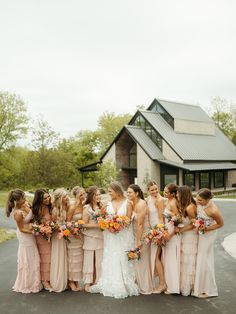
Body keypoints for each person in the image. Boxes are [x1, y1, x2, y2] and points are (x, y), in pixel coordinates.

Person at [90, 181, 139, 298]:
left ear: (117, 191)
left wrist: (119, 225)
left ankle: (124, 283)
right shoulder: (107, 204)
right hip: (111, 236)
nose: (109, 193)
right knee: (112, 257)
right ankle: (110, 282)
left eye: (110, 191)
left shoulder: (128, 203)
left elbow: (128, 220)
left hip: (124, 236)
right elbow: (101, 218)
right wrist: (108, 224)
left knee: (122, 257)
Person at [6, 189, 42, 293]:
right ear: (17, 200)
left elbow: (31, 218)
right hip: (25, 235)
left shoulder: (24, 205)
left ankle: (34, 282)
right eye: (23, 198)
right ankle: (27, 284)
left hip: (29, 233)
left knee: (32, 256)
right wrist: (36, 231)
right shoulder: (17, 213)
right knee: (28, 257)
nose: (25, 199)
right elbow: (21, 229)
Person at [193, 188, 224, 298]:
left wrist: (205, 229)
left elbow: (220, 224)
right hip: (201, 233)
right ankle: (199, 287)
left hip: (208, 234)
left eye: (200, 200)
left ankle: (209, 290)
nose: (197, 201)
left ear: (207, 200)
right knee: (201, 258)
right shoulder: (200, 203)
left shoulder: (213, 210)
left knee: (204, 259)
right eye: (197, 199)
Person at [127, 184, 153, 295]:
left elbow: (141, 224)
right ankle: (138, 284)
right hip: (135, 234)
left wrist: (138, 240)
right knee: (137, 261)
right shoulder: (133, 203)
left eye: (130, 192)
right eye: (127, 192)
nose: (128, 194)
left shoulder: (142, 204)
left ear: (137, 193)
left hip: (142, 235)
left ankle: (146, 286)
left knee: (142, 261)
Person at [176, 185, 197, 296]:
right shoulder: (184, 205)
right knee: (184, 260)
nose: (177, 195)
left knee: (188, 260)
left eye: (178, 193)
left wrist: (181, 230)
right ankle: (183, 285)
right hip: (185, 234)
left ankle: (189, 286)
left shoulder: (190, 207)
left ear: (183, 194)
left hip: (190, 236)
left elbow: (194, 224)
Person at [82, 186, 104, 292]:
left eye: (99, 194)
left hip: (100, 236)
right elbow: (83, 224)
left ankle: (98, 281)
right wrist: (97, 226)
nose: (99, 196)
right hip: (90, 236)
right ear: (91, 196)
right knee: (89, 259)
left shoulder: (102, 207)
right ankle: (87, 282)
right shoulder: (87, 208)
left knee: (100, 260)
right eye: (96, 195)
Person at [146, 181, 166, 293]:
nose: (155, 191)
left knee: (157, 258)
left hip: (157, 231)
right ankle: (160, 282)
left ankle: (162, 284)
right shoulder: (148, 199)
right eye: (152, 190)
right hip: (151, 231)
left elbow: (161, 219)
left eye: (156, 189)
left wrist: (159, 234)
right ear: (148, 191)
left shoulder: (159, 200)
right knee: (154, 258)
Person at [32, 189, 52, 291]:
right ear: (39, 199)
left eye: (48, 197)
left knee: (50, 258)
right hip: (41, 237)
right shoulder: (37, 209)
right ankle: (44, 280)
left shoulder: (50, 207)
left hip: (50, 235)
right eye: (45, 198)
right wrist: (42, 229)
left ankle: (49, 278)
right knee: (45, 259)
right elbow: (34, 225)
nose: (48, 199)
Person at [162, 183, 181, 294]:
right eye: (164, 191)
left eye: (166, 192)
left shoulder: (174, 203)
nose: (164, 193)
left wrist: (171, 234)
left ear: (173, 194)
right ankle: (170, 284)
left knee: (172, 259)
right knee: (168, 259)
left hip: (172, 235)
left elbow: (179, 220)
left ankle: (173, 287)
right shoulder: (168, 201)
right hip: (167, 232)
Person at [66, 186, 86, 291]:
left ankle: (76, 280)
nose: (83, 196)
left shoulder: (84, 206)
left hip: (81, 234)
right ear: (76, 196)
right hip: (73, 235)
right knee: (73, 258)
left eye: (84, 194)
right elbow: (68, 223)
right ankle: (70, 281)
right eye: (81, 194)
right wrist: (74, 232)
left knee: (79, 259)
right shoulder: (72, 207)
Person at [50, 188, 69, 292]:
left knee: (64, 257)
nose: (67, 198)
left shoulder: (65, 207)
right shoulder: (55, 210)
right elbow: (53, 225)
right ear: (60, 198)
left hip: (64, 235)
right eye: (64, 196)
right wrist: (61, 228)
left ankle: (64, 280)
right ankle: (58, 281)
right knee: (58, 256)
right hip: (58, 237)